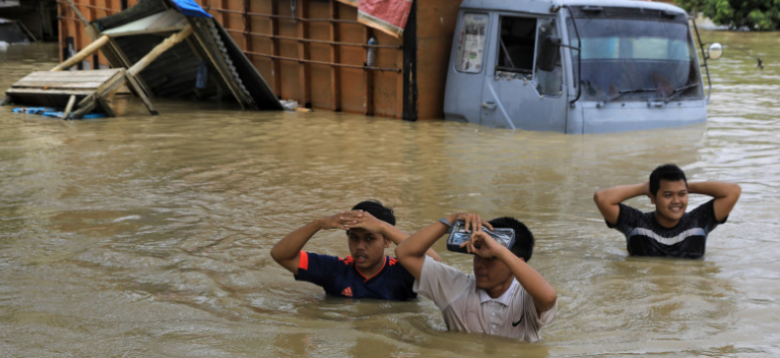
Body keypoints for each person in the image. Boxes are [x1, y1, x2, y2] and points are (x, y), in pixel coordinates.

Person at [395, 213, 557, 341]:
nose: (480, 264)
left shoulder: (526, 297)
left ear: (515, 264)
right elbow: (405, 253)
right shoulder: (454, 285)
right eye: (478, 253)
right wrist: (450, 221)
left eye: (491, 258)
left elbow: (549, 297)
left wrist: (499, 250)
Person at [270, 200, 441, 301]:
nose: (360, 246)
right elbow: (280, 255)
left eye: (369, 238)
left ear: (387, 241)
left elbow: (438, 266)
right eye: (353, 237)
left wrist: (382, 226)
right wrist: (318, 224)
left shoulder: (404, 271)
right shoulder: (335, 269)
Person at [593, 164, 742, 259]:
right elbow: (602, 198)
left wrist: (686, 186)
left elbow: (733, 191)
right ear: (653, 198)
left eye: (682, 194)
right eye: (668, 195)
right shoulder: (637, 224)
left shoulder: (698, 221)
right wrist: (644, 187)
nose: (676, 201)